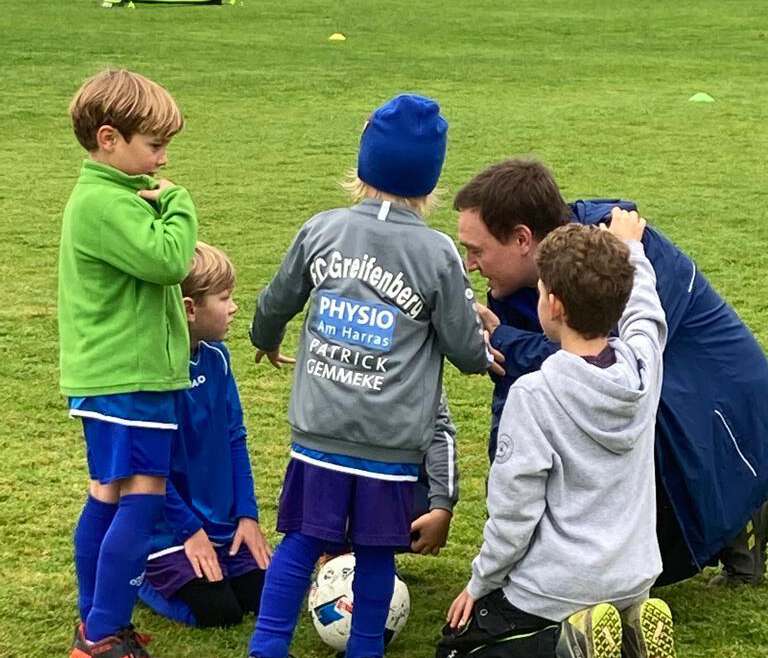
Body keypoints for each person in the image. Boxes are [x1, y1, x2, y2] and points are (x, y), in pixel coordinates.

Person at [247, 93, 490, 658]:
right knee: (377, 555)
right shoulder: (437, 252)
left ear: (361, 167)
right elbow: (460, 341)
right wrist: (483, 356)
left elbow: (276, 300)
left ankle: (267, 648)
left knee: (300, 543)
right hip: (389, 444)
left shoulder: (320, 230)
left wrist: (265, 337)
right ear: (430, 181)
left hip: (318, 434)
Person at [455, 158, 768, 586]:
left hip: (716, 406)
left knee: (645, 518)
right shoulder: (514, 287)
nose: (471, 265)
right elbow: (517, 399)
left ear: (523, 239)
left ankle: (742, 513)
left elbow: (609, 365)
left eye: (477, 250)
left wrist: (508, 342)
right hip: (661, 397)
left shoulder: (625, 252)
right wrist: (506, 502)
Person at [438, 210, 676, 658]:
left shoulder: (535, 395)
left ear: (555, 305)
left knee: (457, 649)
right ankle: (628, 631)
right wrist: (632, 250)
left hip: (560, 587)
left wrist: (479, 582)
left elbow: (515, 514)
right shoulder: (645, 368)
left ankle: (566, 642)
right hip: (634, 574)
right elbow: (648, 316)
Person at [61, 69, 197, 658]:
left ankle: (95, 621)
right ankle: (102, 632)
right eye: (155, 145)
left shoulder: (104, 195)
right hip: (130, 376)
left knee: (108, 495)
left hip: (112, 375)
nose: (163, 159)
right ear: (110, 138)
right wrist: (180, 203)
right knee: (141, 498)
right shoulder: (106, 202)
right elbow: (169, 259)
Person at [135, 242, 271, 628]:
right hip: (169, 529)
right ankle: (138, 575)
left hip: (222, 523)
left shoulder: (217, 358)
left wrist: (247, 516)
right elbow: (147, 468)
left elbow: (235, 438)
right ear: (190, 309)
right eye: (225, 298)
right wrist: (188, 531)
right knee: (218, 612)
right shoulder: (153, 374)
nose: (234, 307)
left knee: (265, 595)